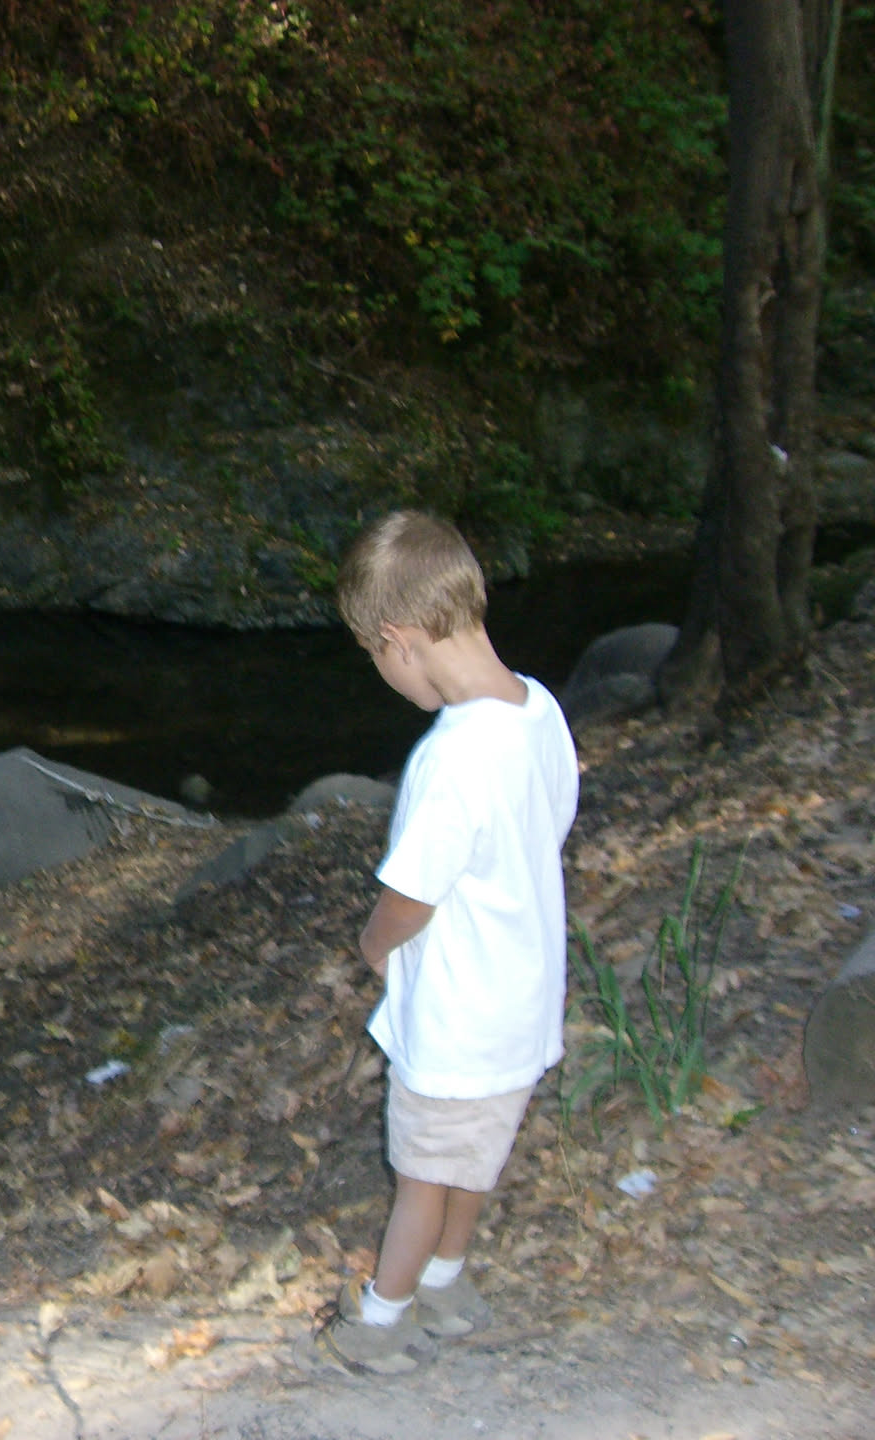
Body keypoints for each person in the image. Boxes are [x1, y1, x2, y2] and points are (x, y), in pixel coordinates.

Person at [316, 510, 578, 1375]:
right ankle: (448, 1284)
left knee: (423, 1178)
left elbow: (412, 895)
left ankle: (381, 1321)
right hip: (522, 1004)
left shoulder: (452, 757)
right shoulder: (539, 711)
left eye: (374, 655)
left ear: (398, 641)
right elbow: (553, 822)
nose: (383, 672)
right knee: (473, 1160)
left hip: (457, 1017)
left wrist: (373, 943)